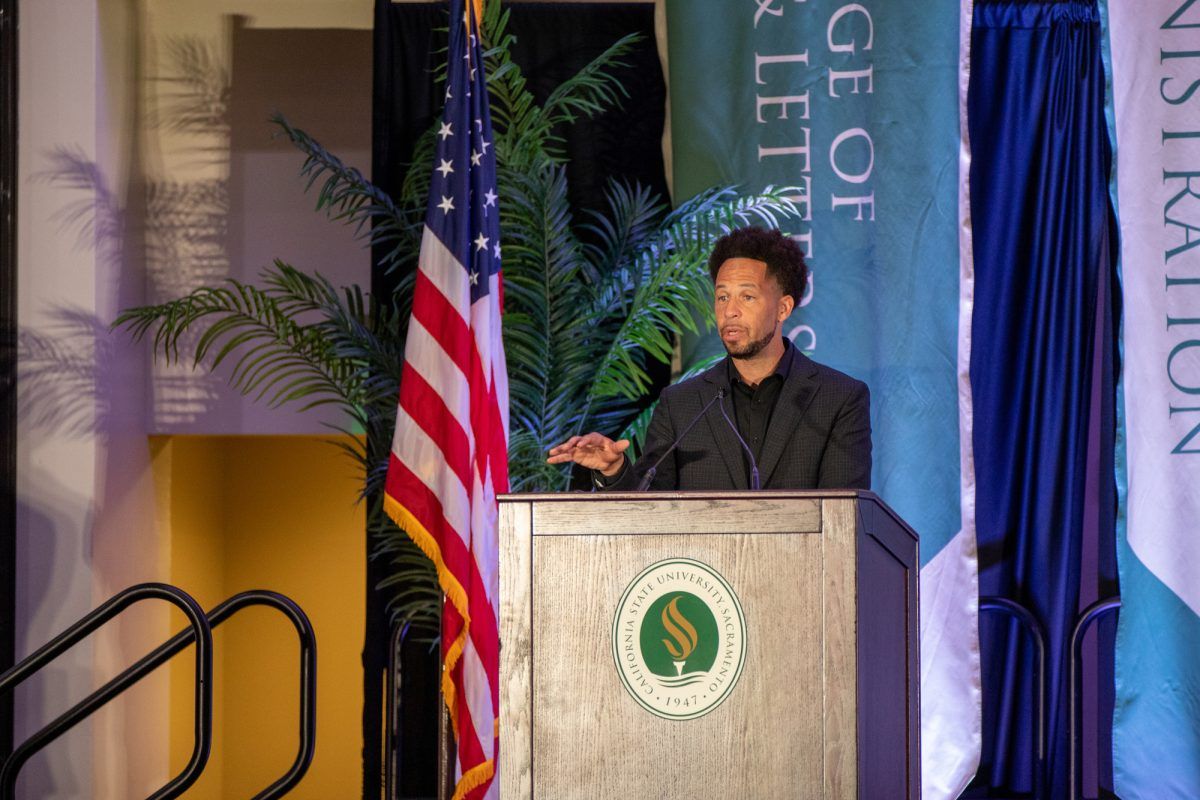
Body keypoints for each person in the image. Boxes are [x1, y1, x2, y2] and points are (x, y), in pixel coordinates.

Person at [546, 226, 872, 491]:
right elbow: (648, 509)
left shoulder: (838, 399)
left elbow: (843, 519)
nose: (729, 310)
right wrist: (614, 470)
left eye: (747, 296)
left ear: (783, 308)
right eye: (722, 296)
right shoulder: (683, 405)